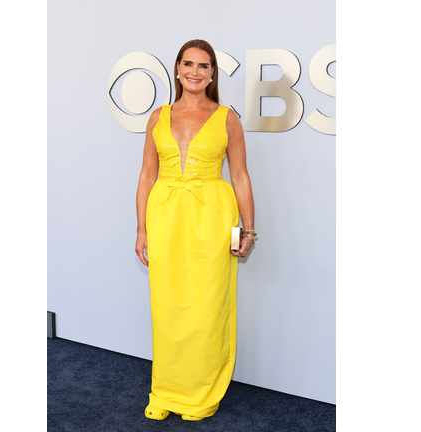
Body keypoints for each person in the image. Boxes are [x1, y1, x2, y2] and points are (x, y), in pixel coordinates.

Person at [134, 39, 256, 422]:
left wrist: (248, 231)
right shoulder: (158, 116)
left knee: (206, 307)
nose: (195, 72)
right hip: (166, 215)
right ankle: (167, 390)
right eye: (188, 64)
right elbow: (147, 175)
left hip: (212, 218)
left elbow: (239, 175)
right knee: (168, 307)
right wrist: (141, 229)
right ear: (176, 68)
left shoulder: (227, 118)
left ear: (213, 74)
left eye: (204, 66)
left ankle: (201, 393)